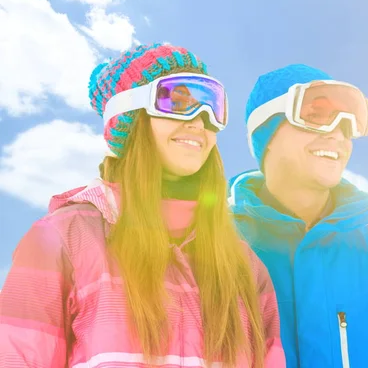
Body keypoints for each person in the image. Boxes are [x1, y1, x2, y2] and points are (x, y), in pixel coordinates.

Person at [0, 43, 284, 368]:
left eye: (211, 107)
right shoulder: (64, 239)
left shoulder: (243, 265)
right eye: (177, 102)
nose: (199, 120)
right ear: (131, 118)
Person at [228, 64, 368, 367]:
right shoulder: (216, 247)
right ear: (266, 131)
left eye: (347, 124)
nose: (336, 134)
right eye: (316, 115)